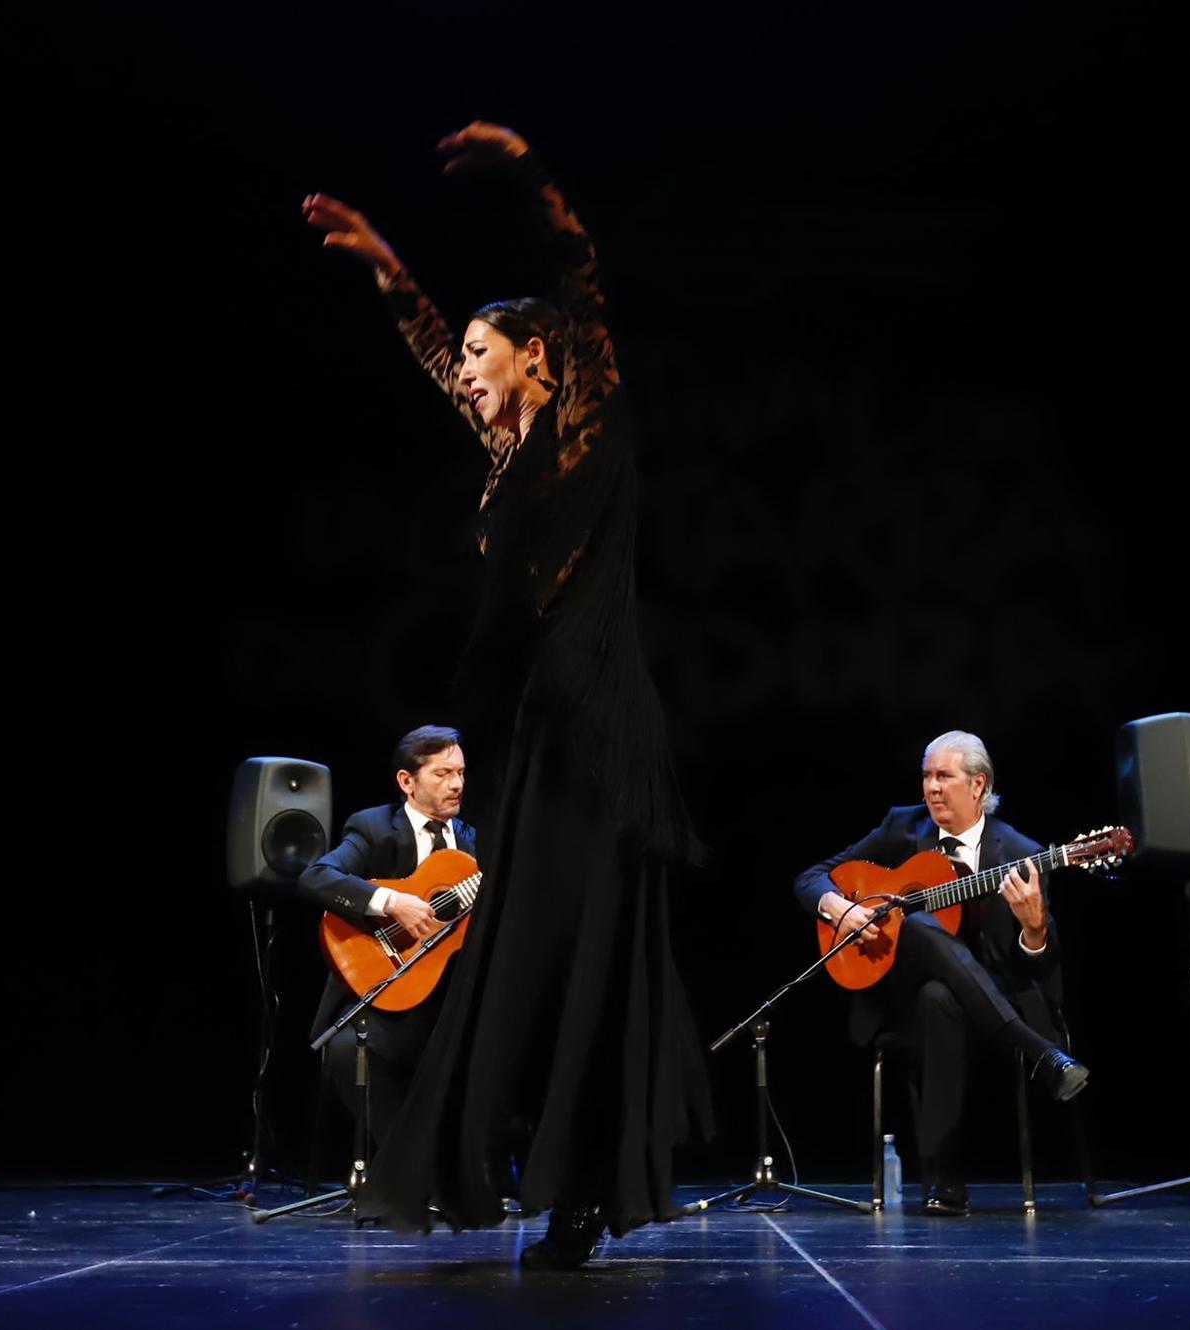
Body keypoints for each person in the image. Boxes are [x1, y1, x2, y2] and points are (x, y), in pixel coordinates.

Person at [302, 123, 709, 1267]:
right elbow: (431, 349)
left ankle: (583, 1189)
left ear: (539, 357)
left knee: (583, 952)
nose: (467, 369)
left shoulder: (586, 416)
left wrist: (530, 174)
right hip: (540, 725)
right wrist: (387, 266)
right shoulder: (500, 447)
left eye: (487, 353)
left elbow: (578, 281)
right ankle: (519, 1160)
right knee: (521, 952)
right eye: (467, 356)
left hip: (605, 721)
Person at [792, 730, 1088, 1216]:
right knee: (920, 928)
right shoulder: (900, 829)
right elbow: (810, 879)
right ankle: (1040, 1054)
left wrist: (1034, 926)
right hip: (899, 1006)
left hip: (993, 1002)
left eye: (943, 776)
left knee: (939, 996)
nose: (931, 787)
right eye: (926, 776)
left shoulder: (1021, 853)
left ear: (978, 786)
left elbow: (1041, 963)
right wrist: (840, 909)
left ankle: (944, 1187)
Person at [294, 726, 474, 1152]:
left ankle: (481, 1174)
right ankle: (406, 1170)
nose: (457, 784)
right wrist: (391, 901)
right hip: (387, 997)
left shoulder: (472, 840)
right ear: (406, 782)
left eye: (462, 773)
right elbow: (316, 877)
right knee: (345, 1050)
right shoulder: (373, 828)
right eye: (443, 773)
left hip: (453, 999)